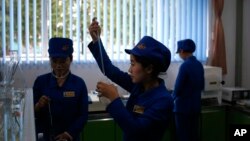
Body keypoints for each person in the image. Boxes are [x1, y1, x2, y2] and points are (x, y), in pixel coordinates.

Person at [88, 20, 173, 141]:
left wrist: (114, 99)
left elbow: (136, 131)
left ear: (149, 68)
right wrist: (96, 40)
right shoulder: (139, 86)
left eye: (133, 64)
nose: (129, 69)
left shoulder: (164, 101)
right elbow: (110, 70)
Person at [33, 37, 88, 141]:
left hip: (71, 138)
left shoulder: (79, 84)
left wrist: (69, 134)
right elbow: (30, 113)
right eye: (54, 61)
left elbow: (83, 115)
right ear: (50, 59)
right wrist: (38, 106)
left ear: (71, 59)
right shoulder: (41, 82)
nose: (58, 66)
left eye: (63, 61)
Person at [172, 39, 205, 141]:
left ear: (181, 51)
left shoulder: (185, 66)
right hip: (195, 107)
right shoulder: (199, 65)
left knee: (183, 136)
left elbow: (177, 88)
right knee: (193, 135)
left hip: (183, 109)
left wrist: (169, 99)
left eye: (179, 52)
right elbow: (202, 85)